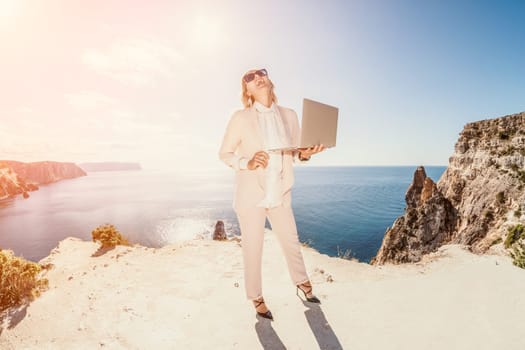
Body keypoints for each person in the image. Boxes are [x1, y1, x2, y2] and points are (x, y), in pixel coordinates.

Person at [218, 68, 325, 321]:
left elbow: (297, 152)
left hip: (281, 191)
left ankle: (302, 283)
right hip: (250, 195)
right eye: (249, 77)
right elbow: (225, 153)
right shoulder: (240, 117)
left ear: (269, 80)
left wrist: (308, 153)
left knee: (291, 241)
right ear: (247, 90)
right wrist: (248, 162)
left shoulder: (289, 115)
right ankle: (256, 297)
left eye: (261, 73)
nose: (257, 77)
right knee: (253, 248)